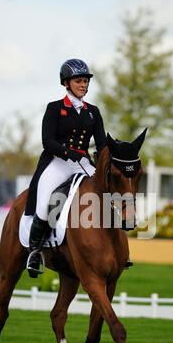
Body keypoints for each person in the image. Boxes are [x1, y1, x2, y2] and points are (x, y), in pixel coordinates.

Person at [25, 59, 106, 277]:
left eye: (85, 81)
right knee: (44, 205)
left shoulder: (93, 112)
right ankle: (34, 253)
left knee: (107, 195)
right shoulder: (55, 108)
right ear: (66, 83)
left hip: (83, 165)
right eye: (79, 81)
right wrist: (68, 153)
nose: (83, 85)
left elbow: (102, 144)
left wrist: (107, 159)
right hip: (58, 163)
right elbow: (47, 141)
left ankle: (116, 248)